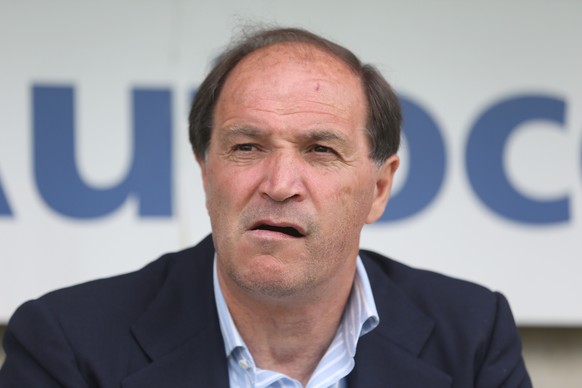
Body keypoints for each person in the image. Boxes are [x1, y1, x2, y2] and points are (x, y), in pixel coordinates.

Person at [0, 27, 531, 387]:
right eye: (247, 147)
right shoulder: (66, 345)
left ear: (378, 189)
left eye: (320, 150)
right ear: (206, 171)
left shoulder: (472, 337)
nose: (278, 185)